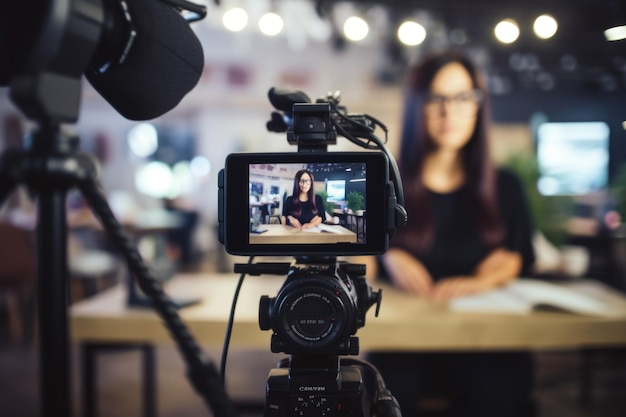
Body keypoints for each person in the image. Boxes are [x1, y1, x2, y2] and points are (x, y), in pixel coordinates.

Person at [365, 50, 536, 417]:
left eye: (463, 97)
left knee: (496, 390)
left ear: (478, 105)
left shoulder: (505, 186)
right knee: (383, 395)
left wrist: (484, 280)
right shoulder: (384, 183)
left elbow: (517, 258)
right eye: (436, 99)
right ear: (417, 105)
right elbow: (361, 268)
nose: (450, 112)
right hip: (403, 340)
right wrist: (386, 253)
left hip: (484, 340)